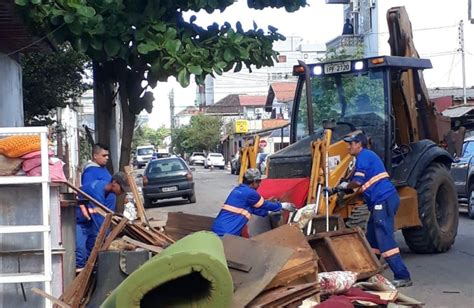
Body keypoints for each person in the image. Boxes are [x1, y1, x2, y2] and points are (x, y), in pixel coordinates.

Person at [326, 132, 412, 288]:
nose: (348, 146)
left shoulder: (364, 156)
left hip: (383, 200)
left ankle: (402, 275)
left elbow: (357, 181)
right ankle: (371, 272)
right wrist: (335, 189)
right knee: (372, 239)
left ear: (359, 144)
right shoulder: (362, 158)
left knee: (385, 239)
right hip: (379, 201)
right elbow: (351, 181)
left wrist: (343, 187)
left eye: (351, 144)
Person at [212, 168, 295, 237]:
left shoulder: (237, 190)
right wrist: (282, 206)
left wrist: (269, 212)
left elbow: (253, 209)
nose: (259, 185)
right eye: (259, 182)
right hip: (227, 233)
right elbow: (264, 204)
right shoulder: (250, 193)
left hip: (218, 228)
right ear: (254, 182)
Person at [75, 172, 129, 272]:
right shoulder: (96, 193)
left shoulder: (108, 191)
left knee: (91, 250)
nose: (122, 192)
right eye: (121, 188)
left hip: (88, 222)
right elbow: (100, 221)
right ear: (114, 183)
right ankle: (79, 280)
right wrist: (107, 239)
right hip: (78, 221)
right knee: (80, 253)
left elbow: (106, 215)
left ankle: (90, 272)